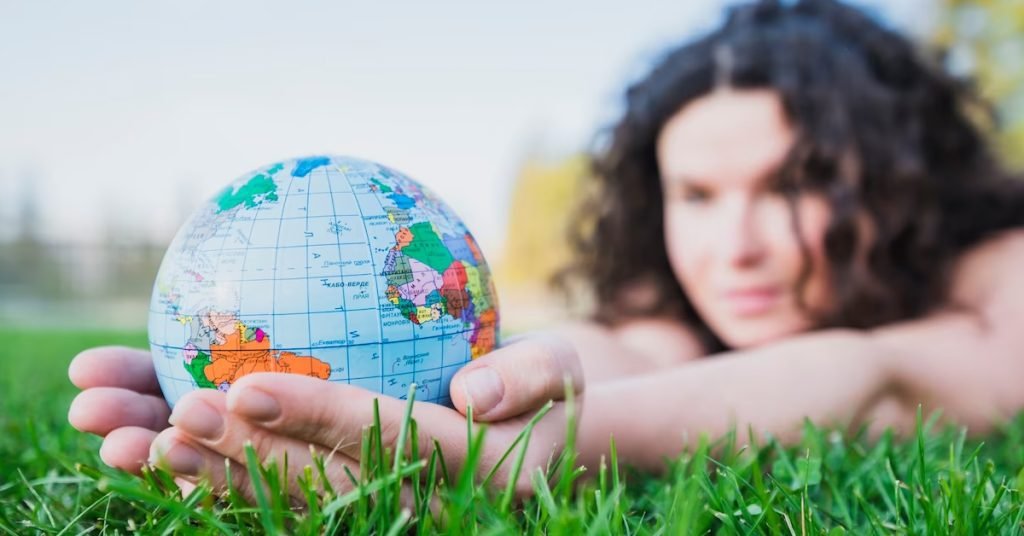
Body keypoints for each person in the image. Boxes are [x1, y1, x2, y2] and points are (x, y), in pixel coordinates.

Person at [68, 0, 1024, 501]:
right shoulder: (680, 301)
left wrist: (556, 449)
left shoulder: (1000, 262)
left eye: (792, 186)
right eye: (695, 195)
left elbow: (885, 377)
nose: (735, 247)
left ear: (897, 179)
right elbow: (612, 355)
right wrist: (478, 399)